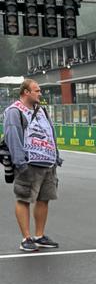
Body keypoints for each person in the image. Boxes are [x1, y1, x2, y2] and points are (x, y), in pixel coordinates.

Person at [4, 78, 63, 252]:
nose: (40, 93)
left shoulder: (42, 110)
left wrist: (56, 156)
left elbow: (50, 133)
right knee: (24, 199)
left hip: (48, 162)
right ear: (26, 92)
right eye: (37, 90)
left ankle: (39, 236)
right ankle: (26, 238)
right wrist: (19, 162)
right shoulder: (14, 111)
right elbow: (12, 136)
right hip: (28, 163)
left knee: (44, 199)